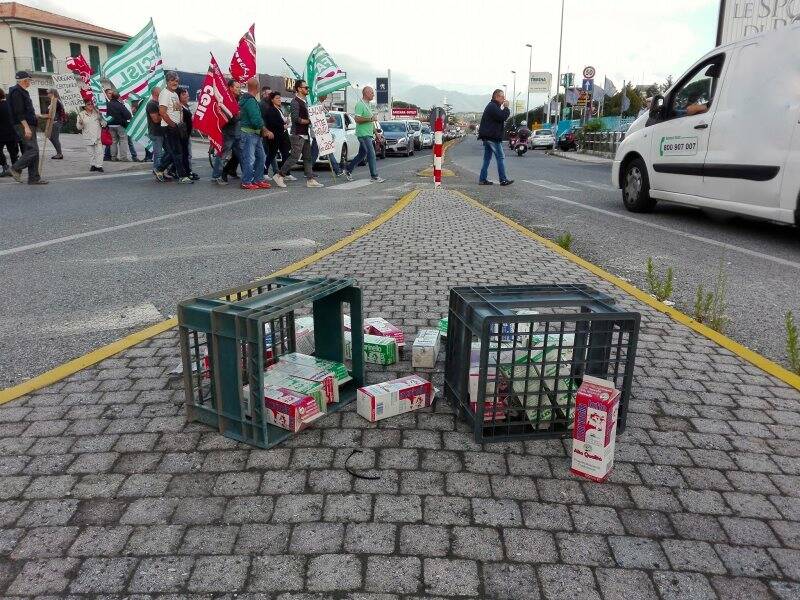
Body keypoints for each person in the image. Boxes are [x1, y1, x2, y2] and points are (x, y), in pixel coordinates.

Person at [272, 79, 323, 188]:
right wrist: (309, 121)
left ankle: (310, 179)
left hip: (305, 133)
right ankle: (280, 175)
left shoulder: (305, 101)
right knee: (294, 157)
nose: (307, 89)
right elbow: (295, 119)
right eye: (305, 88)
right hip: (297, 134)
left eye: (307, 87)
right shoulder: (295, 102)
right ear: (299, 89)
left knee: (308, 157)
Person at [7, 71, 46, 184]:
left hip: (28, 124)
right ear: (24, 80)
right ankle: (14, 168)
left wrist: (36, 116)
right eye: (29, 80)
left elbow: (24, 110)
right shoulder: (16, 92)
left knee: (32, 150)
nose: (30, 82)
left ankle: (33, 178)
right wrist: (26, 127)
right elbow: (19, 112)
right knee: (33, 149)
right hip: (24, 125)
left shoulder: (22, 92)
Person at [154, 71, 192, 183]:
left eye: (176, 80)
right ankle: (182, 176)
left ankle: (159, 169)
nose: (175, 82)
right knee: (177, 152)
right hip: (169, 127)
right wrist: (173, 125)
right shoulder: (165, 94)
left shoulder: (175, 94)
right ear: (167, 81)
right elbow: (162, 112)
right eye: (172, 80)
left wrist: (180, 123)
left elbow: (177, 110)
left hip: (177, 126)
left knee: (173, 152)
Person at [345, 86, 383, 183]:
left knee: (362, 154)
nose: (373, 94)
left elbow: (371, 122)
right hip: (362, 134)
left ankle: (348, 170)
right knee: (371, 153)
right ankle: (374, 176)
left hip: (369, 134)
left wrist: (376, 133)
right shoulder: (360, 105)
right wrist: (370, 119)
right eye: (371, 93)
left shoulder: (368, 105)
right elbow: (357, 119)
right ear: (366, 93)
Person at [238, 77, 271, 190]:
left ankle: (258, 179)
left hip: (254, 134)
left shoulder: (249, 100)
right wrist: (265, 130)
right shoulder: (251, 101)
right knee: (250, 158)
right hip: (249, 134)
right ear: (257, 88)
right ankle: (246, 181)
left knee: (261, 157)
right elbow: (256, 119)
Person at [477, 89, 513, 186]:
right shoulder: (492, 106)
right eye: (502, 97)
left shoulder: (493, 106)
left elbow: (499, 117)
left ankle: (482, 179)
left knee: (487, 158)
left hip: (488, 136)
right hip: (492, 137)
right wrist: (506, 107)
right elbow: (502, 117)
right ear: (497, 97)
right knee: (500, 157)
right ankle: (503, 179)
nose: (504, 99)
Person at [211, 79, 243, 185]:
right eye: (237, 87)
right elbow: (228, 117)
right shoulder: (225, 100)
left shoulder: (239, 99)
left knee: (242, 155)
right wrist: (239, 115)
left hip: (237, 132)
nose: (239, 89)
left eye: (239, 87)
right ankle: (216, 176)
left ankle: (247, 175)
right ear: (230, 88)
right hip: (228, 132)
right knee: (222, 154)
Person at [263, 91, 292, 182]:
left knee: (286, 153)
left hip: (283, 135)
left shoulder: (279, 109)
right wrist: (282, 126)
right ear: (272, 100)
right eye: (277, 98)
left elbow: (281, 120)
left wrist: (286, 121)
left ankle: (285, 173)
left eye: (280, 98)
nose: (279, 100)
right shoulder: (271, 110)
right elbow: (271, 123)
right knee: (271, 154)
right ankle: (264, 172)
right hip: (275, 135)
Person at [75, 99, 105, 173]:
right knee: (91, 153)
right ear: (84, 106)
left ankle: (99, 166)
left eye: (91, 104)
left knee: (99, 152)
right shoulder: (81, 114)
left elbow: (104, 124)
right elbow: (78, 128)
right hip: (87, 136)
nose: (91, 105)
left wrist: (101, 118)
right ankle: (93, 165)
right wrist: (80, 123)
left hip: (97, 136)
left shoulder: (97, 113)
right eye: (88, 104)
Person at [178, 87, 199, 181]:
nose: (187, 95)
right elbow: (180, 121)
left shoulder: (186, 106)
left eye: (186, 93)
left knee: (187, 154)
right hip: (183, 135)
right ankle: (186, 172)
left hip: (187, 134)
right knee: (185, 154)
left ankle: (187, 171)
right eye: (184, 94)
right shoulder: (179, 107)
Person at [106, 90, 131, 161]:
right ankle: (123, 157)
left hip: (110, 125)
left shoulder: (107, 104)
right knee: (123, 140)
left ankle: (113, 157)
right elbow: (128, 115)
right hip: (120, 125)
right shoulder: (120, 105)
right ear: (118, 97)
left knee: (113, 141)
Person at [0, 88, 20, 177]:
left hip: (1, 134)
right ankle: (15, 169)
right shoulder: (10, 104)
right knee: (13, 152)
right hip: (12, 132)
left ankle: (5, 167)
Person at [42, 89, 66, 159]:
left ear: (52, 93)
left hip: (56, 121)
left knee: (54, 138)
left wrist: (42, 116)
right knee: (51, 137)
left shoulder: (56, 101)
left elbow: (53, 113)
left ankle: (59, 154)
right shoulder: (54, 101)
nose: (47, 94)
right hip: (55, 121)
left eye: (48, 93)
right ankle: (59, 153)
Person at [145, 86, 163, 169]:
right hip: (156, 132)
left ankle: (161, 169)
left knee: (167, 152)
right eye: (161, 91)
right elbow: (155, 120)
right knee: (158, 154)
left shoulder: (159, 103)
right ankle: (157, 170)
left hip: (161, 132)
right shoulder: (151, 104)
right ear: (156, 93)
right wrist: (165, 115)